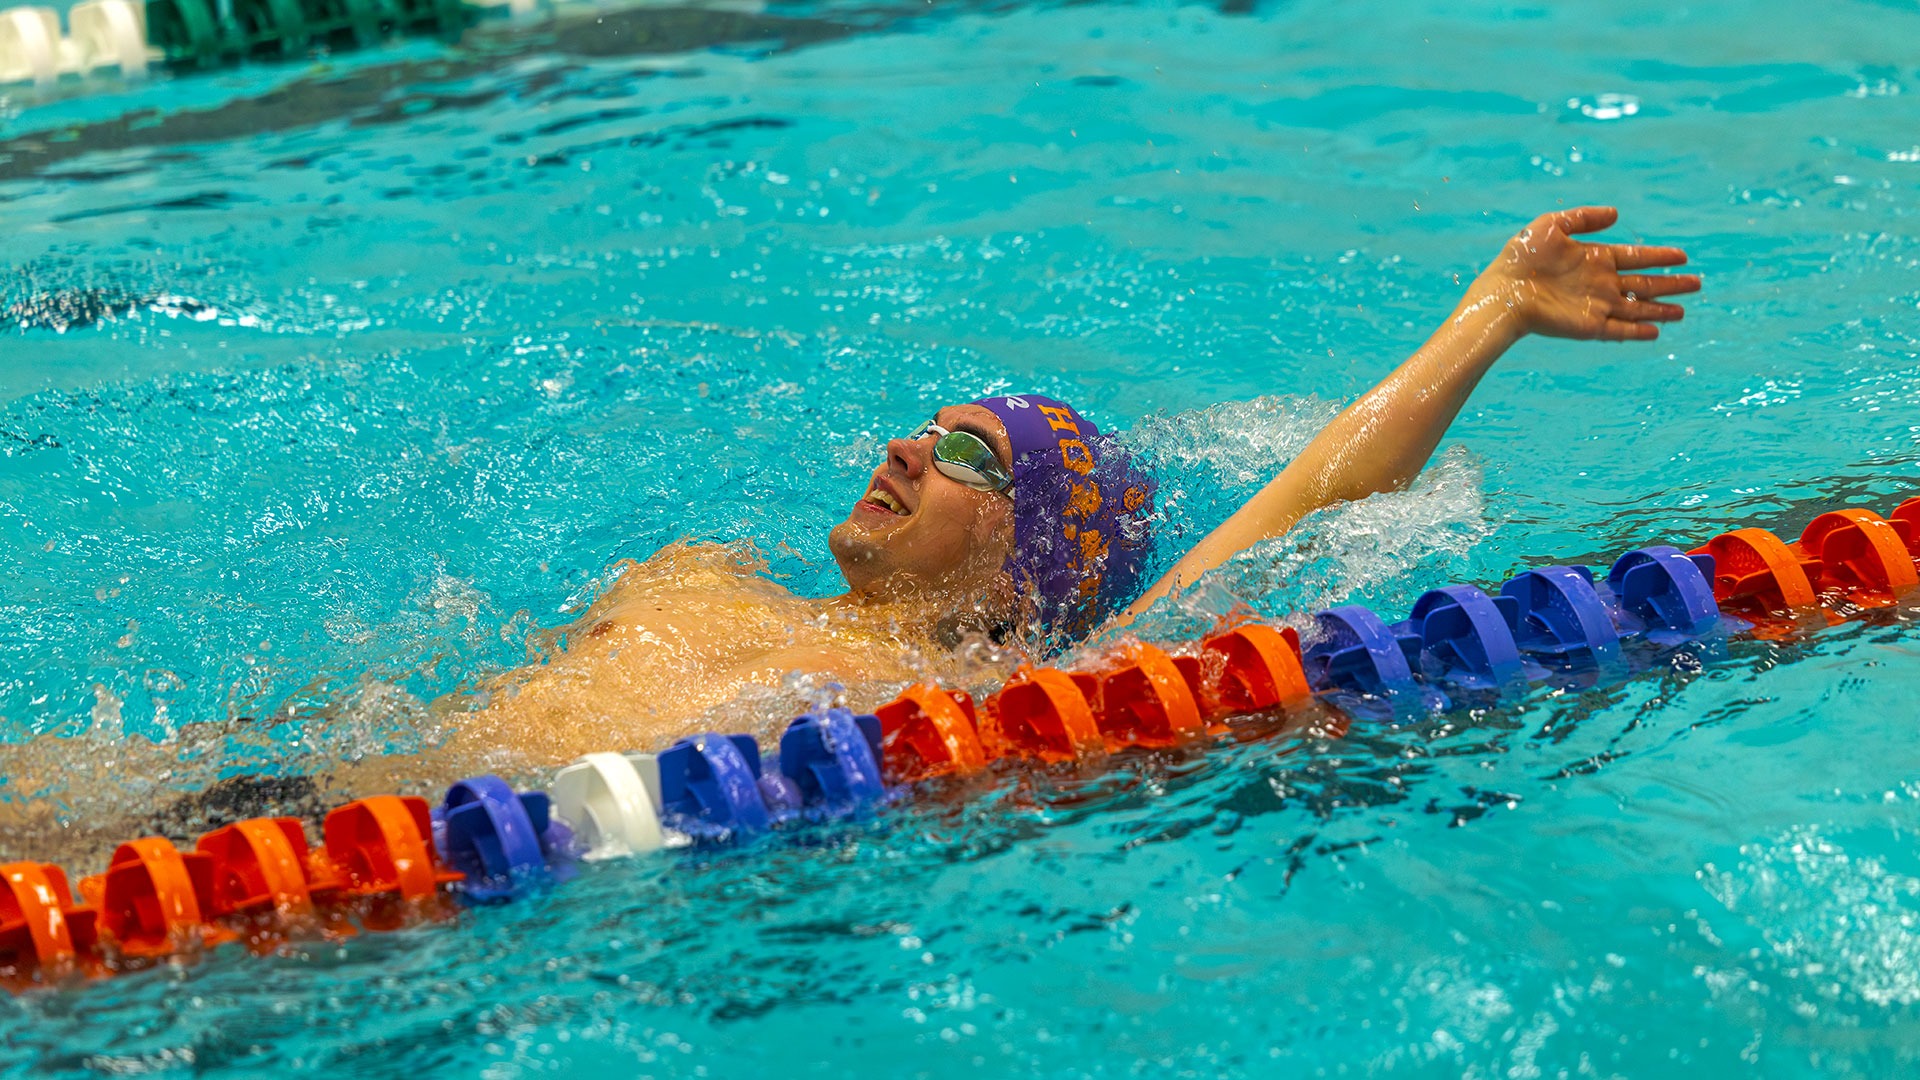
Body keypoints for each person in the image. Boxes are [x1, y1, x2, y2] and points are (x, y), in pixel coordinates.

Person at [422, 205, 1697, 770]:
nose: (907, 449)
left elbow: (1310, 497)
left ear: (1021, 577)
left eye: (969, 456)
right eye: (926, 430)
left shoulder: (974, 699)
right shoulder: (698, 575)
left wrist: (1493, 312)